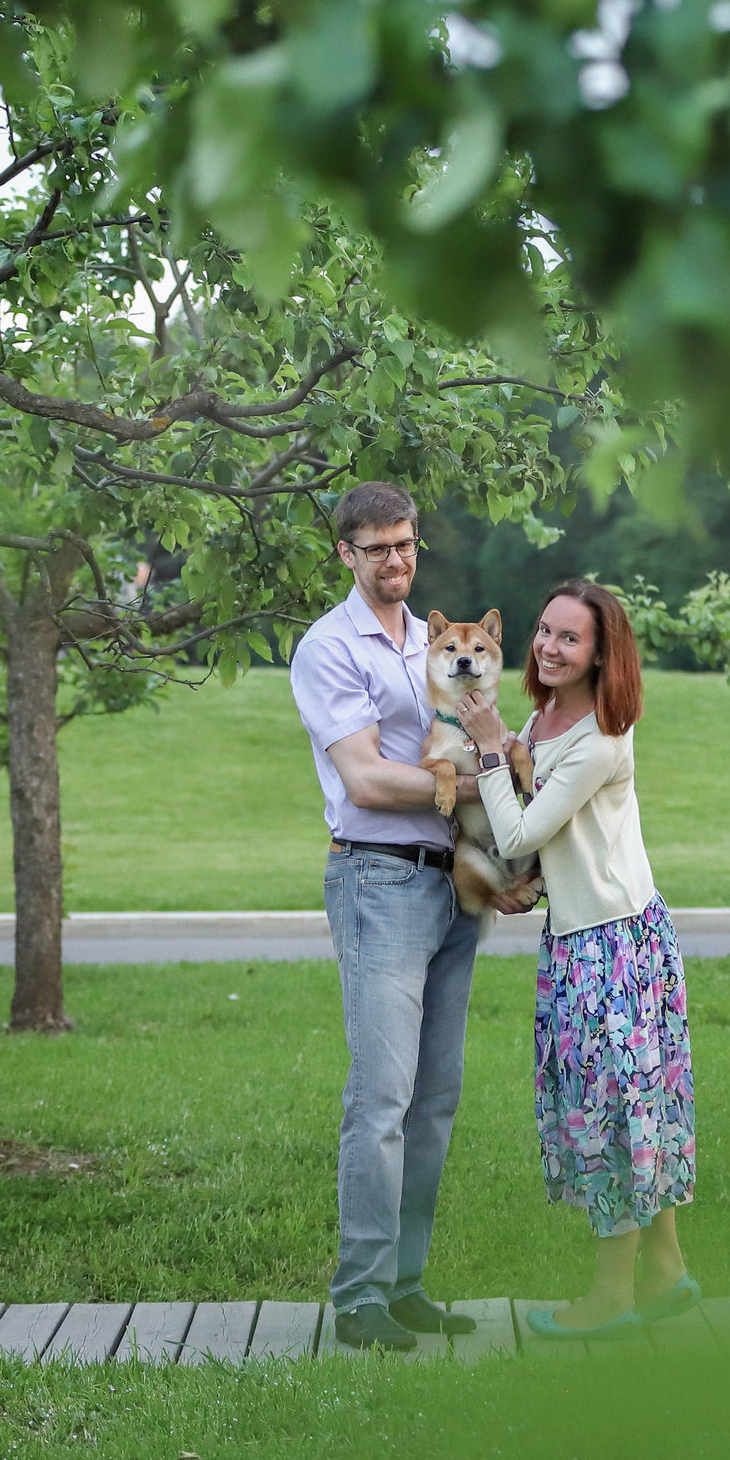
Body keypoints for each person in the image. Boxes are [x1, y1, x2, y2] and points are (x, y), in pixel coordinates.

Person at [288, 481, 533, 1352]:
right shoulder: (329, 648)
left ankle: (405, 1285)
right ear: (346, 555)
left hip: (451, 883)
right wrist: (493, 783)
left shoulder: (434, 641)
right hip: (379, 882)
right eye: (378, 548)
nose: (396, 560)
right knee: (382, 1098)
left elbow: (486, 730)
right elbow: (366, 780)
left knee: (434, 1101)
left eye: (407, 544)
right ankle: (358, 1296)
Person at [453, 578, 699, 1337]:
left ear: (601, 652)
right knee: (626, 1108)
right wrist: (517, 885)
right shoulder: (547, 716)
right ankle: (665, 1273)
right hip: (579, 938)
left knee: (614, 1116)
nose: (550, 647)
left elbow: (525, 827)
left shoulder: (600, 735)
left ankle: (612, 1295)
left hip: (614, 949)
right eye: (545, 631)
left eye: (571, 638)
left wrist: (493, 745)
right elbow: (542, 844)